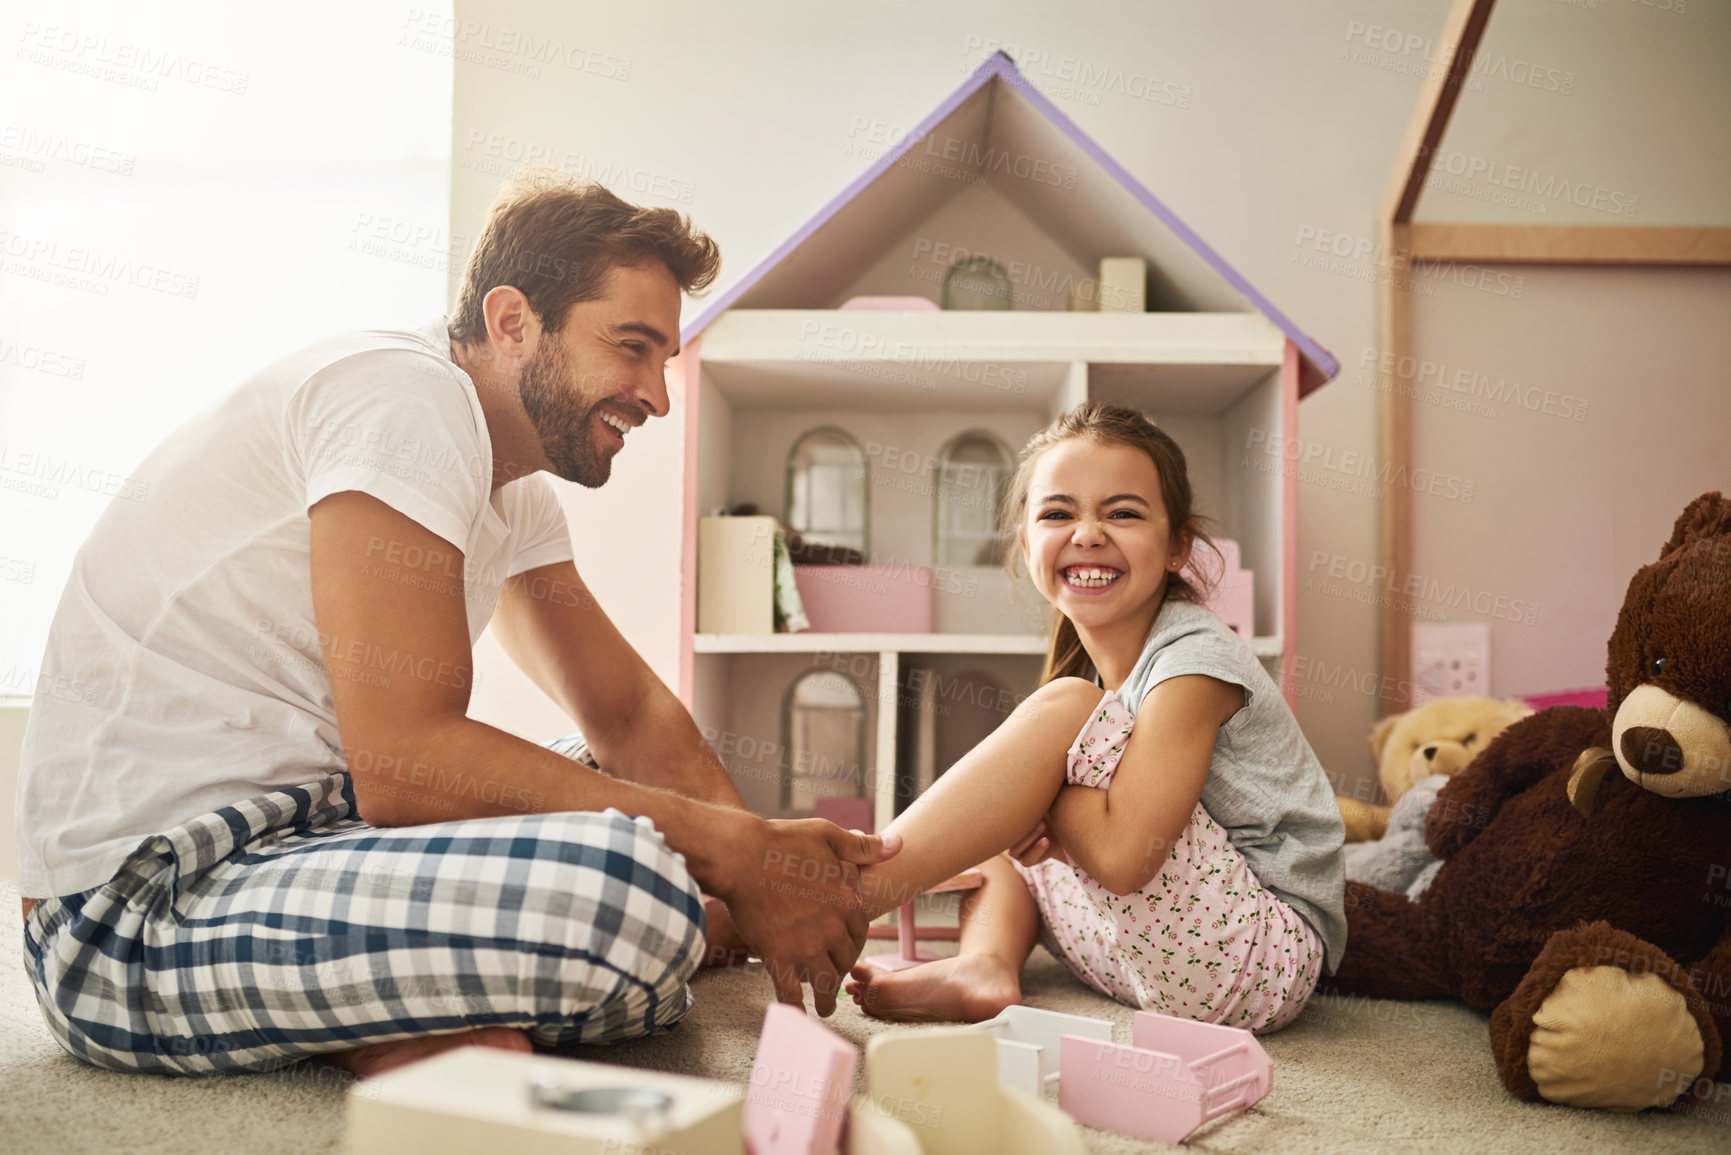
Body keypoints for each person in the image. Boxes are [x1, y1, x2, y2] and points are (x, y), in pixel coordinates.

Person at [16, 171, 895, 1079]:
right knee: (624, 892)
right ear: (512, 321)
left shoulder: (512, 488)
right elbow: (401, 760)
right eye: (632, 348)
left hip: (307, 837)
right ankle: (441, 1004)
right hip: (130, 912)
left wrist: (761, 875)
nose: (657, 396)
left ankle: (403, 1015)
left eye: (663, 361)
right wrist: (730, 853)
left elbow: (625, 714)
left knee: (608, 778)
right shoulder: (401, 399)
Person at [846, 402, 1346, 1033]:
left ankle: (846, 901)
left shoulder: (1195, 661)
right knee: (990, 827)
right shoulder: (1091, 670)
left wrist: (1042, 799)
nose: (1086, 533)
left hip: (1255, 960)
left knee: (1056, 727)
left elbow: (1123, 859)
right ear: (1028, 544)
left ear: (1176, 547)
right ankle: (985, 965)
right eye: (1058, 513)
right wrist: (1027, 812)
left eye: (1123, 514)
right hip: (1153, 957)